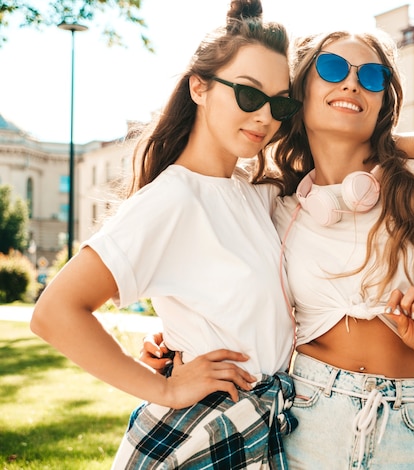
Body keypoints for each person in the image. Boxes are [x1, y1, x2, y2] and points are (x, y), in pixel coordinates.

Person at [31, 1, 300, 468]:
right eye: (250, 95)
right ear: (200, 86)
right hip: (201, 432)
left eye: (280, 103)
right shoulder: (172, 198)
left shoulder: (255, 195)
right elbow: (54, 312)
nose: (265, 117)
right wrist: (165, 387)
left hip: (257, 432)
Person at [265, 29, 414, 469]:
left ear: (382, 100)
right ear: (302, 89)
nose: (352, 84)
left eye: (371, 76)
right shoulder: (281, 207)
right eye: (332, 68)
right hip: (310, 415)